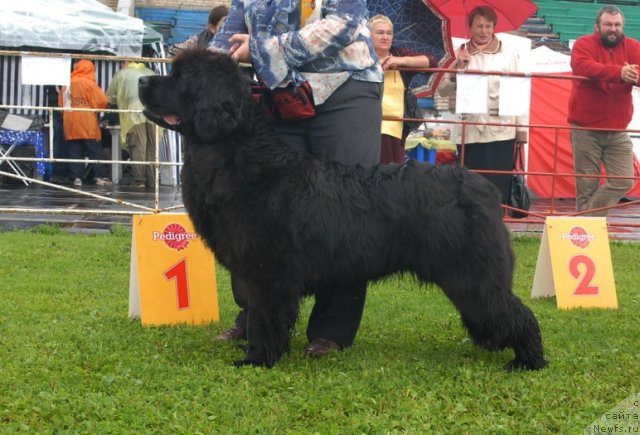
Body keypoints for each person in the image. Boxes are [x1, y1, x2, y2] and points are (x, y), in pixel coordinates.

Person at [209, 0, 383, 358]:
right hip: (280, 94)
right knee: (256, 213)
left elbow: (344, 24)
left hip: (345, 90)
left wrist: (262, 49)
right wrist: (209, 65)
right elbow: (229, 32)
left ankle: (332, 330)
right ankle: (257, 316)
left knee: (345, 210)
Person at [437, 6, 527, 205]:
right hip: (468, 130)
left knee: (497, 184)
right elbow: (442, 90)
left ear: (494, 27)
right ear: (470, 27)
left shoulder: (509, 54)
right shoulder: (457, 53)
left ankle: (495, 228)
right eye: (479, 26)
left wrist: (521, 131)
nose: (484, 31)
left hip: (501, 129)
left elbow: (518, 92)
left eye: (488, 26)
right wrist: (458, 66)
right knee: (469, 184)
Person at [568, 5, 640, 216]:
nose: (613, 29)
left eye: (617, 25)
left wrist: (633, 75)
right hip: (585, 128)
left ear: (622, 26)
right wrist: (619, 72)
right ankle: (588, 236)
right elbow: (582, 66)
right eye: (608, 24)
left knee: (624, 180)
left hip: (617, 129)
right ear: (597, 26)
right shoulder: (584, 43)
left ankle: (583, 222)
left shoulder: (633, 46)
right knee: (586, 186)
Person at [369, 14, 436, 164]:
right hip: (370, 124)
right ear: (369, 35)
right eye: (380, 32)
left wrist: (399, 61)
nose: (385, 37)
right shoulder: (362, 55)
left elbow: (431, 61)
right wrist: (375, 65)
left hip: (397, 126)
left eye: (389, 33)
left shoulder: (398, 53)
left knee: (394, 173)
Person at [58, 59, 111, 187]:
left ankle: (76, 178)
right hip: (87, 122)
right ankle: (100, 176)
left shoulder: (67, 84)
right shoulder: (89, 84)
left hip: (70, 122)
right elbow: (102, 101)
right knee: (94, 150)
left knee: (74, 151)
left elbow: (61, 104)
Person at [106, 60, 157, 188]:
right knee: (152, 146)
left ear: (125, 62)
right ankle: (152, 181)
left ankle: (139, 180)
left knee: (138, 146)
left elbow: (110, 96)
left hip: (134, 112)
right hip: (154, 111)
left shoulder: (122, 73)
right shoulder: (150, 72)